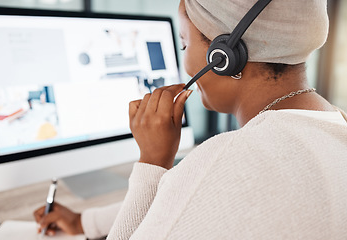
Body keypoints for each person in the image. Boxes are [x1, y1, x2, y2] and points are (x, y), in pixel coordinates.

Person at [34, 0, 347, 239]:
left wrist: (153, 162)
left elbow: (203, 189)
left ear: (223, 55)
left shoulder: (224, 160)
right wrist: (83, 223)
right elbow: (194, 199)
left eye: (184, 42)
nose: (184, 61)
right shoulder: (335, 126)